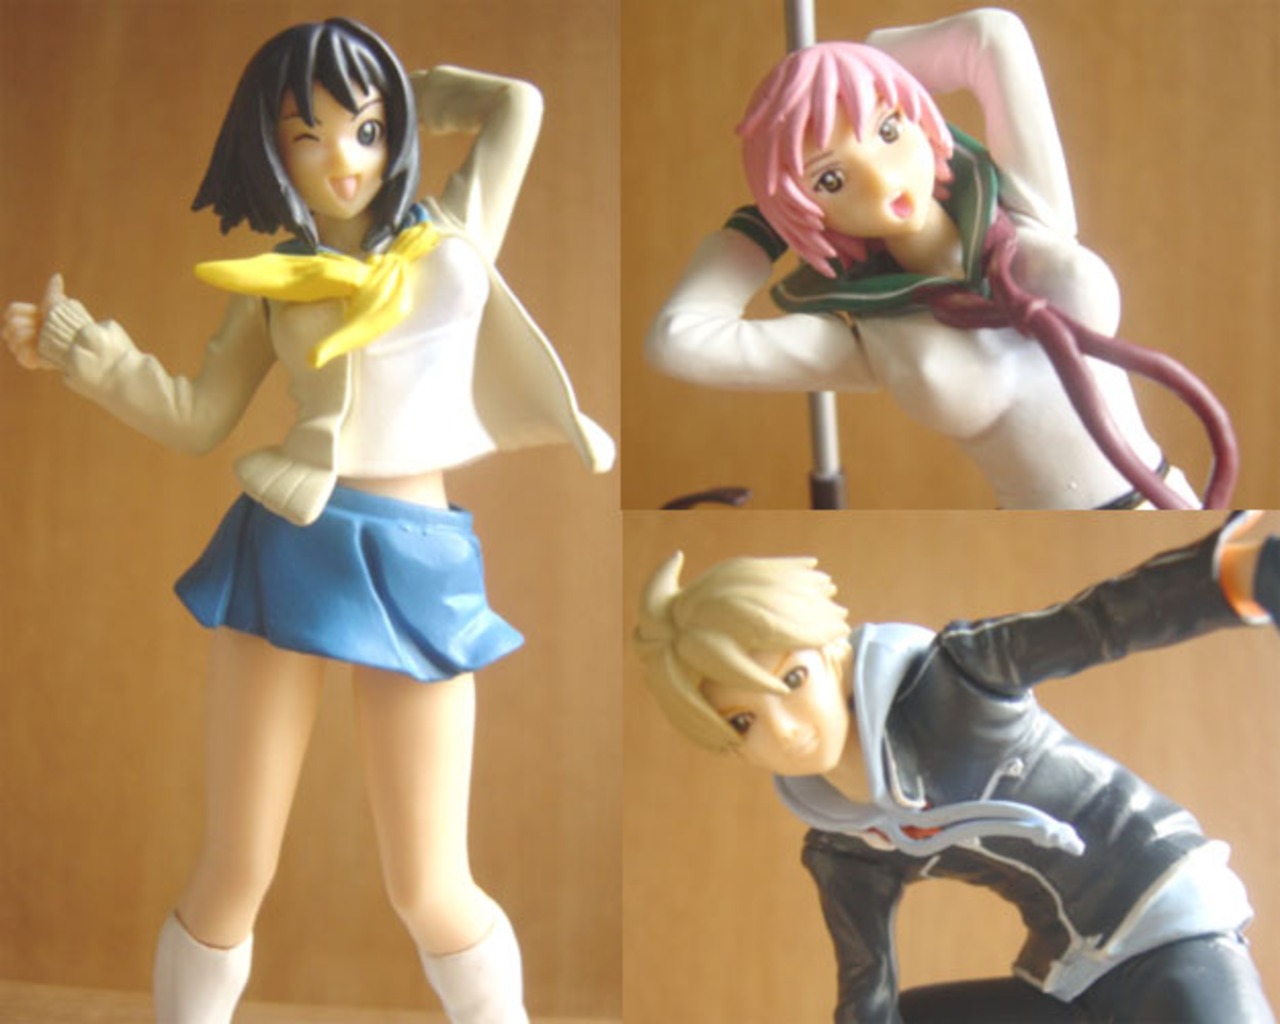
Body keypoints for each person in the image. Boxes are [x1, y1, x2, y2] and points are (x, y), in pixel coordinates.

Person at [3, 17, 612, 1024]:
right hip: (290, 545)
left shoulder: (451, 233)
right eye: (307, 134)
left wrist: (399, 90)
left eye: (366, 130)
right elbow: (197, 417)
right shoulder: (270, 287)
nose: (344, 159)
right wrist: (89, 355)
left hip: (418, 563)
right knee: (235, 865)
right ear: (270, 148)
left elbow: (518, 106)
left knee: (430, 882)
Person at [634, 515, 1277, 1022]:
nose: (785, 730)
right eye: (743, 721)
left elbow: (1099, 622)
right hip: (1069, 975)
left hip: (1168, 916)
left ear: (832, 652)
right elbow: (867, 992)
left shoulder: (960, 680)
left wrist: (1231, 577)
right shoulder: (842, 845)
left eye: (793, 680)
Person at [645, 8, 1234, 509]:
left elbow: (991, 35)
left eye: (888, 130)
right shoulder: (872, 336)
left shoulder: (1027, 208)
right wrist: (760, 228)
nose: (882, 180)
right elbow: (679, 340)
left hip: (1173, 497)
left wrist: (862, 65)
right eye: (830, 180)